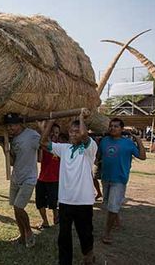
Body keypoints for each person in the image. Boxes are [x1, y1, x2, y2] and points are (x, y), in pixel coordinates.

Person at [41, 108, 96, 265]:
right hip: (65, 201)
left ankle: (89, 257)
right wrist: (51, 122)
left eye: (76, 131)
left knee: (85, 234)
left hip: (83, 201)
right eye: (71, 131)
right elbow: (43, 142)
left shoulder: (89, 149)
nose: (73, 133)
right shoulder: (64, 149)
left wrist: (81, 118)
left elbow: (85, 136)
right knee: (64, 236)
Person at [98, 118, 146, 245]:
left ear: (122, 129)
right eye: (111, 126)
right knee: (108, 203)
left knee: (112, 206)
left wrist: (138, 141)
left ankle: (107, 233)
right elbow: (98, 157)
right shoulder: (104, 141)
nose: (113, 128)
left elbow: (142, 156)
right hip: (105, 178)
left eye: (116, 126)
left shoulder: (128, 143)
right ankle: (117, 221)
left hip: (119, 180)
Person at [4, 112, 40, 248]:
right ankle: (22, 235)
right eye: (8, 126)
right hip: (16, 177)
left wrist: (44, 128)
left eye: (12, 125)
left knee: (19, 207)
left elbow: (43, 143)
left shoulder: (32, 135)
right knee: (15, 208)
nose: (10, 128)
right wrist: (5, 149)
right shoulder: (12, 139)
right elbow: (13, 161)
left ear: (19, 124)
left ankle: (29, 232)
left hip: (29, 178)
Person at [35, 123, 60, 229]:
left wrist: (42, 129)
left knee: (54, 203)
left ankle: (56, 218)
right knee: (39, 202)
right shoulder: (44, 145)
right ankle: (45, 221)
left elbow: (52, 147)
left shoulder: (60, 146)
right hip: (42, 178)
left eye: (57, 132)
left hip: (55, 179)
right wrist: (41, 147)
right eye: (52, 132)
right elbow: (40, 160)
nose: (54, 134)